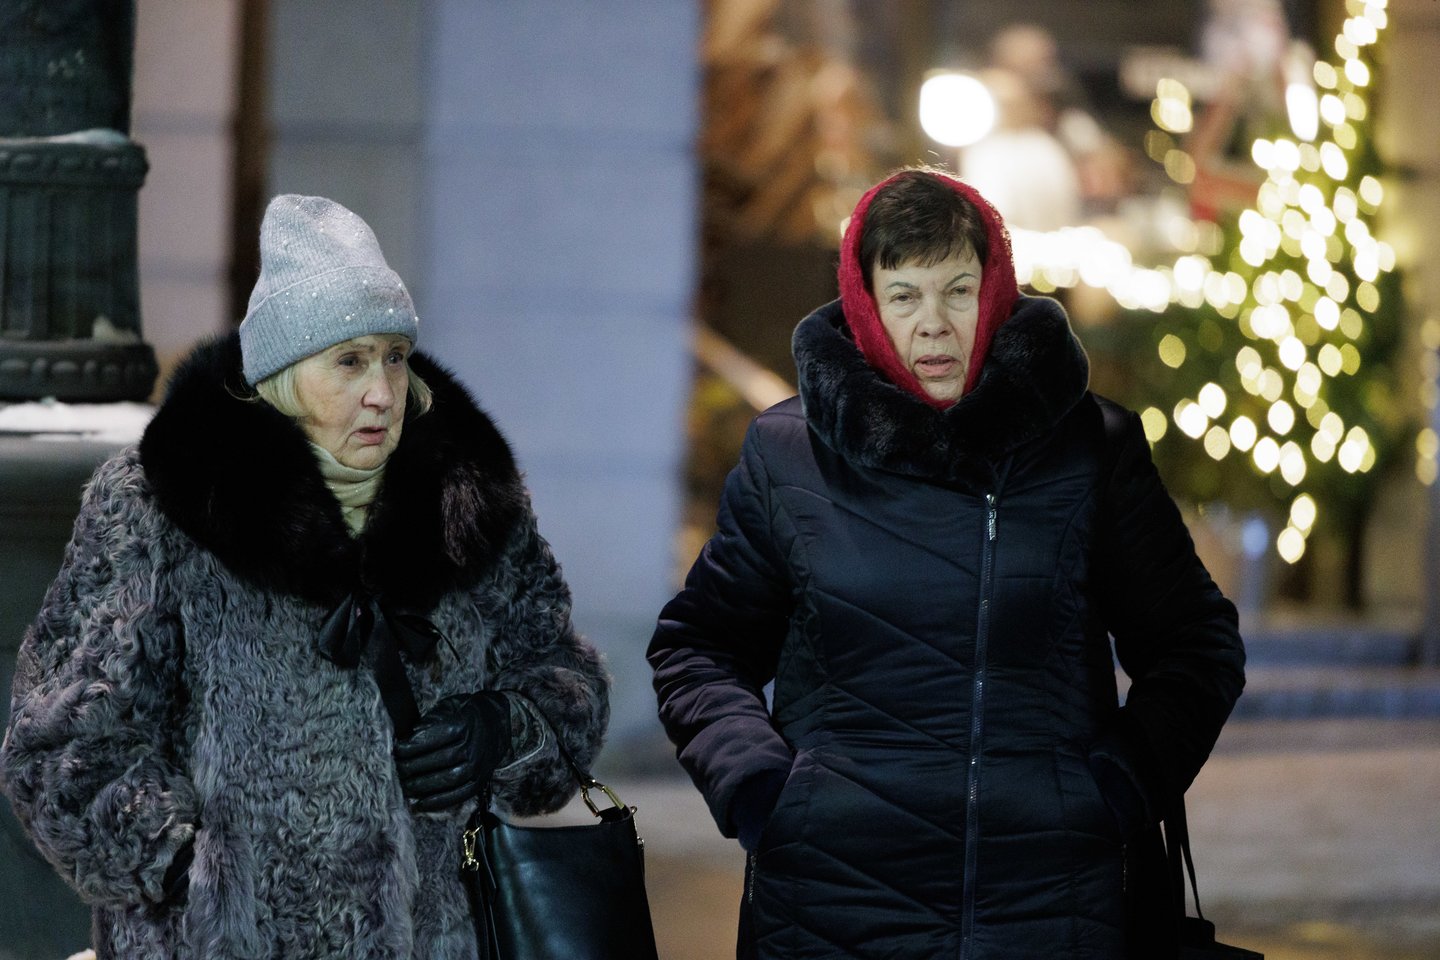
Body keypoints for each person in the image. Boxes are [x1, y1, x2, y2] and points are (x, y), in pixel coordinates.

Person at [648, 168, 1245, 958]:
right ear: (866, 305)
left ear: (994, 293)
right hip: (830, 905)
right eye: (904, 296)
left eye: (958, 291)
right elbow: (699, 648)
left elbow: (1194, 645)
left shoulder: (1089, 451)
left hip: (1048, 905)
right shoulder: (787, 456)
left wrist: (1116, 786)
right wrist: (760, 789)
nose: (933, 324)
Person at [0, 195, 609, 958]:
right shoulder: (161, 509)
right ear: (282, 374)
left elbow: (566, 685)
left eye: (394, 356)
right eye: (349, 362)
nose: (381, 391)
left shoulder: (469, 506)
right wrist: (193, 871)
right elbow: (59, 748)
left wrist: (502, 730)